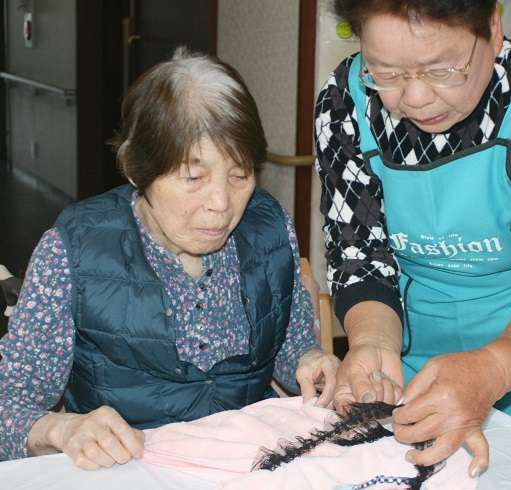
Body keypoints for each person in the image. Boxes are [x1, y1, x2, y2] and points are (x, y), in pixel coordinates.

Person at [0, 48, 339, 468]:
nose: (221, 203)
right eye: (193, 178)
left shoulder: (269, 226)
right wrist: (62, 429)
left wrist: (309, 360)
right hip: (129, 469)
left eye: (240, 174)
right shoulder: (72, 251)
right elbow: (10, 409)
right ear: (135, 169)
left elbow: (289, 344)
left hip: (252, 466)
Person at [315, 0, 511, 478]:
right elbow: (359, 256)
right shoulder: (346, 100)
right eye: (386, 72)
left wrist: (495, 369)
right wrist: (372, 343)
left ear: (493, 26)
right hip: (407, 338)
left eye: (442, 70)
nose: (415, 97)